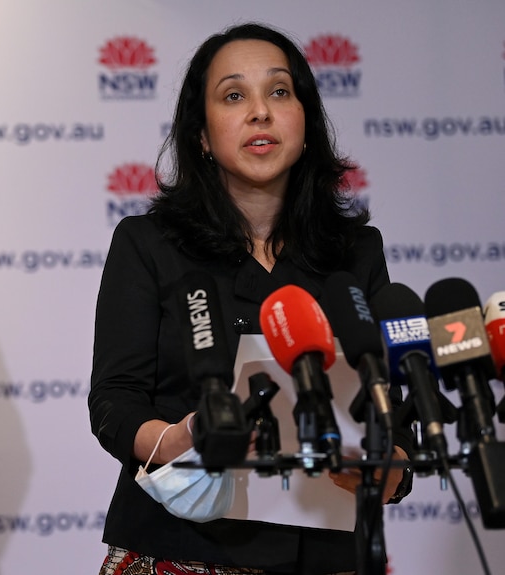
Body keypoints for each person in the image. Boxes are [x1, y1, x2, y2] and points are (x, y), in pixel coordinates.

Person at [88, 23, 415, 575]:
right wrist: (182, 438)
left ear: (306, 122)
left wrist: (389, 469)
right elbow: (115, 403)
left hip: (328, 554)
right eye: (234, 95)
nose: (260, 112)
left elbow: (391, 410)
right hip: (182, 549)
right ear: (201, 134)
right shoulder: (147, 244)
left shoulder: (356, 251)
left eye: (280, 92)